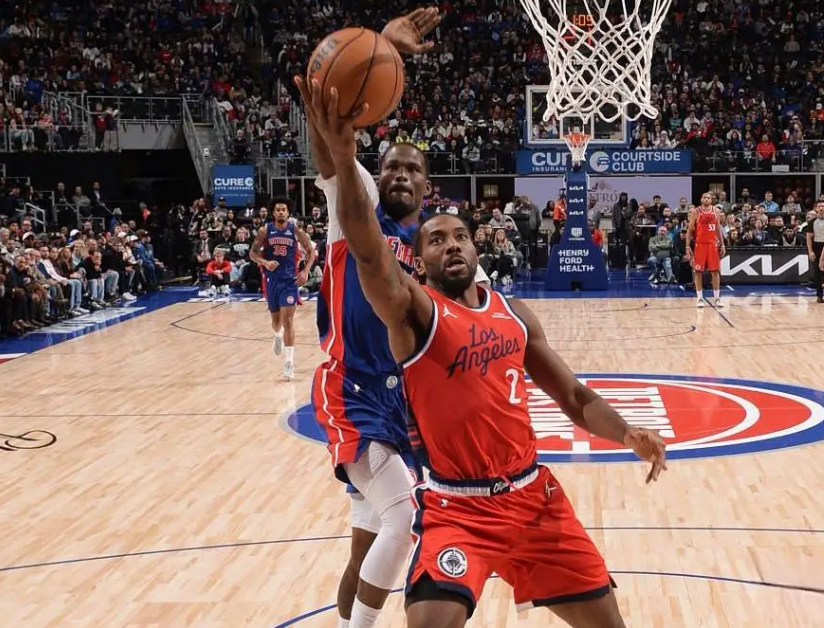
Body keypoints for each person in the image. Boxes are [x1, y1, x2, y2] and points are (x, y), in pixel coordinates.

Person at [303, 80, 667, 628]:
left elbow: (573, 396)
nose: (450, 243)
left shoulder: (513, 313)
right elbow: (367, 250)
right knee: (401, 551)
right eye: (436, 240)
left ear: (478, 247)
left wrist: (627, 432)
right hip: (455, 504)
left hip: (532, 498)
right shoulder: (413, 311)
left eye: (460, 236)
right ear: (417, 263)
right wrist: (343, 153)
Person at [294, 10, 490, 628]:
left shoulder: (435, 246)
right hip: (352, 388)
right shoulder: (356, 210)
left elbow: (477, 317)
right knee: (405, 517)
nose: (399, 174)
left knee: (368, 543)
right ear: (376, 177)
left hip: (402, 403)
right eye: (391, 167)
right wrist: (380, 47)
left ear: (427, 185)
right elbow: (330, 148)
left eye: (412, 169)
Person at [248, 199, 315, 379]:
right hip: (272, 281)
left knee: (289, 321)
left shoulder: (295, 230)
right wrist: (265, 262)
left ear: (288, 212)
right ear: (273, 212)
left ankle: (289, 363)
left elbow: (311, 251)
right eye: (278, 210)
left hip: (290, 282)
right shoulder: (265, 231)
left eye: (283, 209)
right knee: (276, 321)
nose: (281, 212)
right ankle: (277, 335)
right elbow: (252, 253)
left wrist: (306, 271)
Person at [685, 192, 726, 307]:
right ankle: (699, 298)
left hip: (712, 245)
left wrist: (722, 244)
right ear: (701, 199)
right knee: (698, 272)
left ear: (711, 200)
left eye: (708, 198)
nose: (707, 199)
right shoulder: (696, 211)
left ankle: (717, 298)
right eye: (704, 197)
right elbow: (690, 230)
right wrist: (687, 246)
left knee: (715, 271)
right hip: (700, 244)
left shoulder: (716, 211)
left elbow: (718, 229)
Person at [806, 201, 824, 303]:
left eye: (823, 206)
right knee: (817, 273)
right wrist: (810, 251)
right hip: (817, 246)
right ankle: (819, 295)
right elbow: (809, 238)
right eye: (819, 206)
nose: (821, 208)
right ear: (816, 209)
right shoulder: (812, 222)